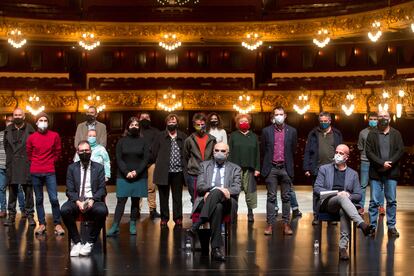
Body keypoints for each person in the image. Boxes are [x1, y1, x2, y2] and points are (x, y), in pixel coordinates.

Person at [314, 144, 374, 260]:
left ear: (346, 157)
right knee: (342, 197)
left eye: (341, 153)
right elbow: (317, 189)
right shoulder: (324, 169)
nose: (337, 155)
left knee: (344, 207)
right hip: (327, 203)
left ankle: (343, 248)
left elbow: (358, 195)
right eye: (336, 152)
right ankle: (361, 224)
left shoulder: (353, 174)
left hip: (344, 205)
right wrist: (337, 193)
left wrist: (348, 196)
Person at [188, 142, 241, 262]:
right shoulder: (204, 166)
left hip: (227, 201)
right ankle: (216, 249)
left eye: (223, 151)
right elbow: (200, 186)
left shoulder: (235, 168)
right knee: (217, 208)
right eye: (217, 150)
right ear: (213, 152)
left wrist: (223, 190)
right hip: (206, 200)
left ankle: (197, 225)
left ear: (228, 154)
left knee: (218, 193)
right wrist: (213, 190)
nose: (219, 153)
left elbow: (237, 188)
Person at [61, 141, 108, 257]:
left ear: (91, 152)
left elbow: (102, 189)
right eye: (81, 151)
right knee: (64, 210)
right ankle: (77, 242)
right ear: (77, 152)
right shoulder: (72, 168)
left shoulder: (99, 168)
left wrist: (92, 200)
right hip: (77, 200)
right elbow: (69, 190)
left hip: (93, 200)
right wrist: (77, 202)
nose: (84, 153)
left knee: (102, 211)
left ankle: (90, 242)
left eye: (87, 151)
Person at [261, 106, 300, 235]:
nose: (279, 116)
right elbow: (263, 150)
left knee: (286, 197)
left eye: (281, 114)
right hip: (271, 168)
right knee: (271, 197)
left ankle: (286, 224)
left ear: (285, 116)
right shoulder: (266, 131)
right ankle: (270, 224)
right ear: (273, 116)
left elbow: (293, 149)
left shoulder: (292, 131)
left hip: (285, 167)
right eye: (276, 114)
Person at [107, 117, 149, 236]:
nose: (134, 126)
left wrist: (136, 172)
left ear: (139, 127)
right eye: (132, 125)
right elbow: (118, 158)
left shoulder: (144, 141)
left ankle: (132, 224)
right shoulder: (121, 141)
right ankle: (115, 226)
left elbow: (145, 159)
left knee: (135, 201)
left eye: (136, 125)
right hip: (123, 175)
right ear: (128, 127)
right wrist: (126, 172)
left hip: (139, 175)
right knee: (121, 200)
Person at [366, 110, 404, 237]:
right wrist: (382, 163)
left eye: (385, 116)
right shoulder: (372, 134)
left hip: (391, 172)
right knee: (374, 202)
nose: (383, 118)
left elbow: (400, 150)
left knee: (391, 200)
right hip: (376, 172)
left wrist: (390, 163)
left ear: (390, 118)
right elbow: (369, 152)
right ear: (377, 118)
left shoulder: (396, 134)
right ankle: (372, 226)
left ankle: (391, 226)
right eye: (380, 116)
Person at [26, 112, 64, 235]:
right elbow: (29, 153)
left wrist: (50, 161)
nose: (43, 122)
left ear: (48, 122)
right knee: (39, 199)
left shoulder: (54, 135)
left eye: (45, 120)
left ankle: (57, 224)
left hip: (49, 171)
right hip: (35, 171)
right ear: (36, 122)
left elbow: (58, 151)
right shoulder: (32, 137)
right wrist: (37, 162)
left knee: (54, 198)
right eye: (40, 120)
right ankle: (42, 224)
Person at [303, 111, 343, 225]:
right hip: (317, 168)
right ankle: (316, 216)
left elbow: (341, 149)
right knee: (317, 193)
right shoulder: (313, 133)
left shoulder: (337, 134)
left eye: (326, 121)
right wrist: (306, 168)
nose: (324, 123)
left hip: (333, 168)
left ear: (330, 121)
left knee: (333, 193)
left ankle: (332, 216)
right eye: (321, 121)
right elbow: (307, 151)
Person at [153, 114, 187, 227]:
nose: (171, 124)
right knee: (163, 197)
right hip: (163, 171)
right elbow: (153, 152)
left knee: (177, 197)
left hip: (178, 172)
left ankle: (178, 218)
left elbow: (187, 153)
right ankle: (164, 218)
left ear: (177, 123)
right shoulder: (160, 136)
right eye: (169, 122)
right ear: (166, 123)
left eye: (173, 122)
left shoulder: (183, 136)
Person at [3, 108, 36, 226]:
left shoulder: (31, 130)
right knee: (12, 192)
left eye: (19, 115)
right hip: (12, 164)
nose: (17, 117)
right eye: (15, 115)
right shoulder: (7, 131)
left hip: (26, 164)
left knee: (28, 192)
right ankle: (11, 216)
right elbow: (6, 147)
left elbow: (34, 148)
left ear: (24, 116)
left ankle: (30, 215)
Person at [228, 113, 259, 222]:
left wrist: (257, 168)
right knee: (234, 192)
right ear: (237, 123)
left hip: (250, 169)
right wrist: (229, 168)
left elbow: (257, 153)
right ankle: (233, 213)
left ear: (249, 123)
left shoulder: (254, 136)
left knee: (250, 192)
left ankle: (250, 213)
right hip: (235, 169)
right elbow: (229, 152)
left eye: (246, 121)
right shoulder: (233, 136)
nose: (244, 123)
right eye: (241, 121)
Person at [184, 113, 216, 204]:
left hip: (208, 173)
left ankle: (206, 217)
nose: (200, 126)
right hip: (194, 173)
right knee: (194, 198)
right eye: (198, 125)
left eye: (202, 124)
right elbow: (186, 156)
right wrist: (192, 165)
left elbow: (214, 156)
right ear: (194, 125)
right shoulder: (189, 140)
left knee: (207, 197)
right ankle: (196, 217)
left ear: (205, 124)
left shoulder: (212, 139)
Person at [357, 112, 384, 215]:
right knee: (363, 185)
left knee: (378, 185)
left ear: (378, 120)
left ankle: (380, 206)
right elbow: (360, 147)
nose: (373, 121)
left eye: (375, 119)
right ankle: (361, 207)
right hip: (365, 161)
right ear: (368, 120)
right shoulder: (363, 133)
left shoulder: (381, 132)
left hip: (377, 162)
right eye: (371, 119)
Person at [0, 115, 25, 218]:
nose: (9, 123)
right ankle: (3, 210)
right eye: (8, 121)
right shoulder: (1, 134)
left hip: (15, 167)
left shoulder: (17, 135)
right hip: (1, 166)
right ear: (5, 122)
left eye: (12, 121)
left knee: (18, 189)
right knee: (1, 188)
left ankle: (23, 210)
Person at [138, 112, 161, 219]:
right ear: (139, 119)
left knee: (151, 188)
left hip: (151, 163)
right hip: (138, 164)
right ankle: (136, 210)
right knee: (138, 188)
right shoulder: (136, 131)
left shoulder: (156, 132)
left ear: (150, 119)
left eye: (147, 117)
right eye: (142, 118)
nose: (144, 119)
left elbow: (157, 147)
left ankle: (153, 210)